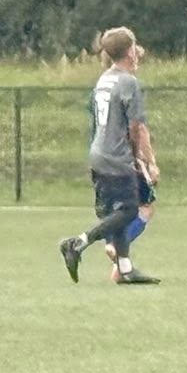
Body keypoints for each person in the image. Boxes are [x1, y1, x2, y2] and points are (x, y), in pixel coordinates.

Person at [59, 26, 160, 284]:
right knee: (129, 210)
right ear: (130, 51)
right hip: (117, 156)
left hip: (99, 152)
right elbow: (136, 127)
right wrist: (143, 159)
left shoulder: (104, 78)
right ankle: (78, 243)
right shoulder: (128, 82)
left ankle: (125, 269)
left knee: (117, 212)